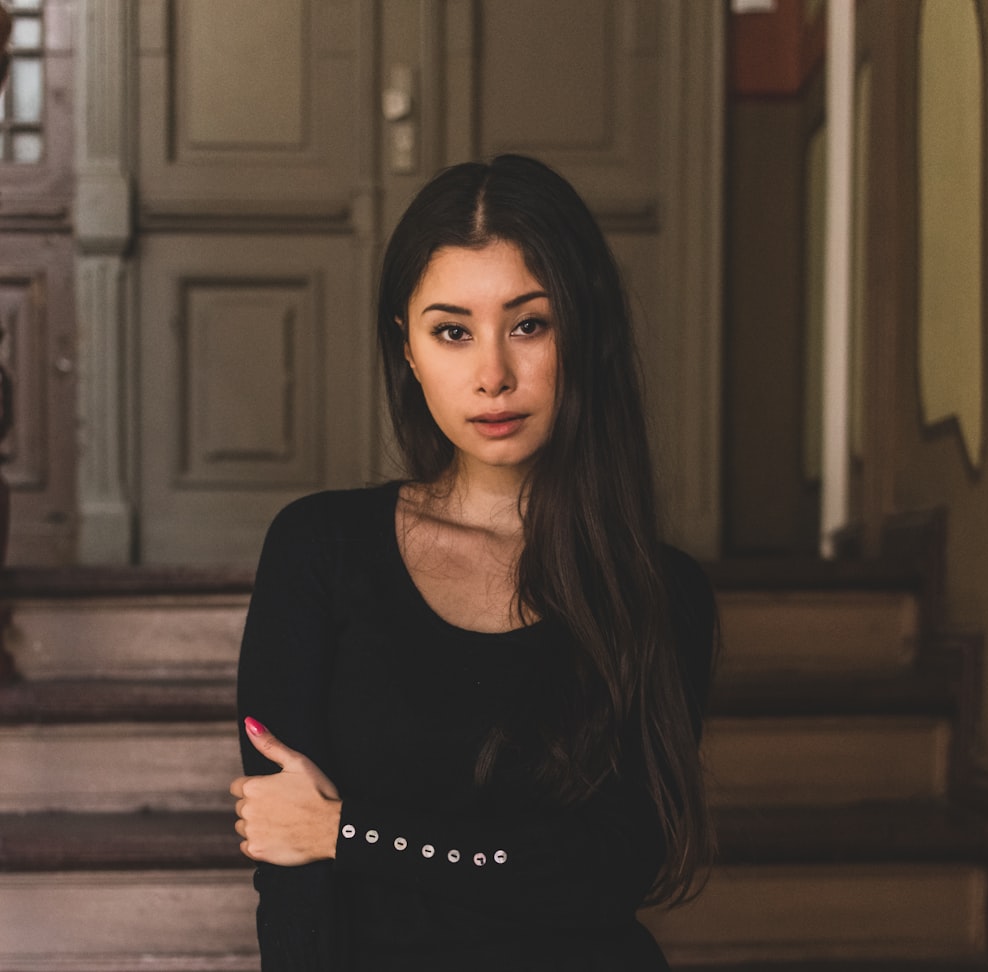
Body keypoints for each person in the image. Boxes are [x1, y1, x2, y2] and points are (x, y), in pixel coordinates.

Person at [230, 154, 718, 971]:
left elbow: (609, 871)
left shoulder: (660, 594)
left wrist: (347, 831)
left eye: (530, 324)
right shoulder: (320, 550)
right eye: (452, 331)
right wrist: (325, 838)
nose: (493, 374)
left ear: (584, 331)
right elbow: (291, 879)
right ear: (410, 349)